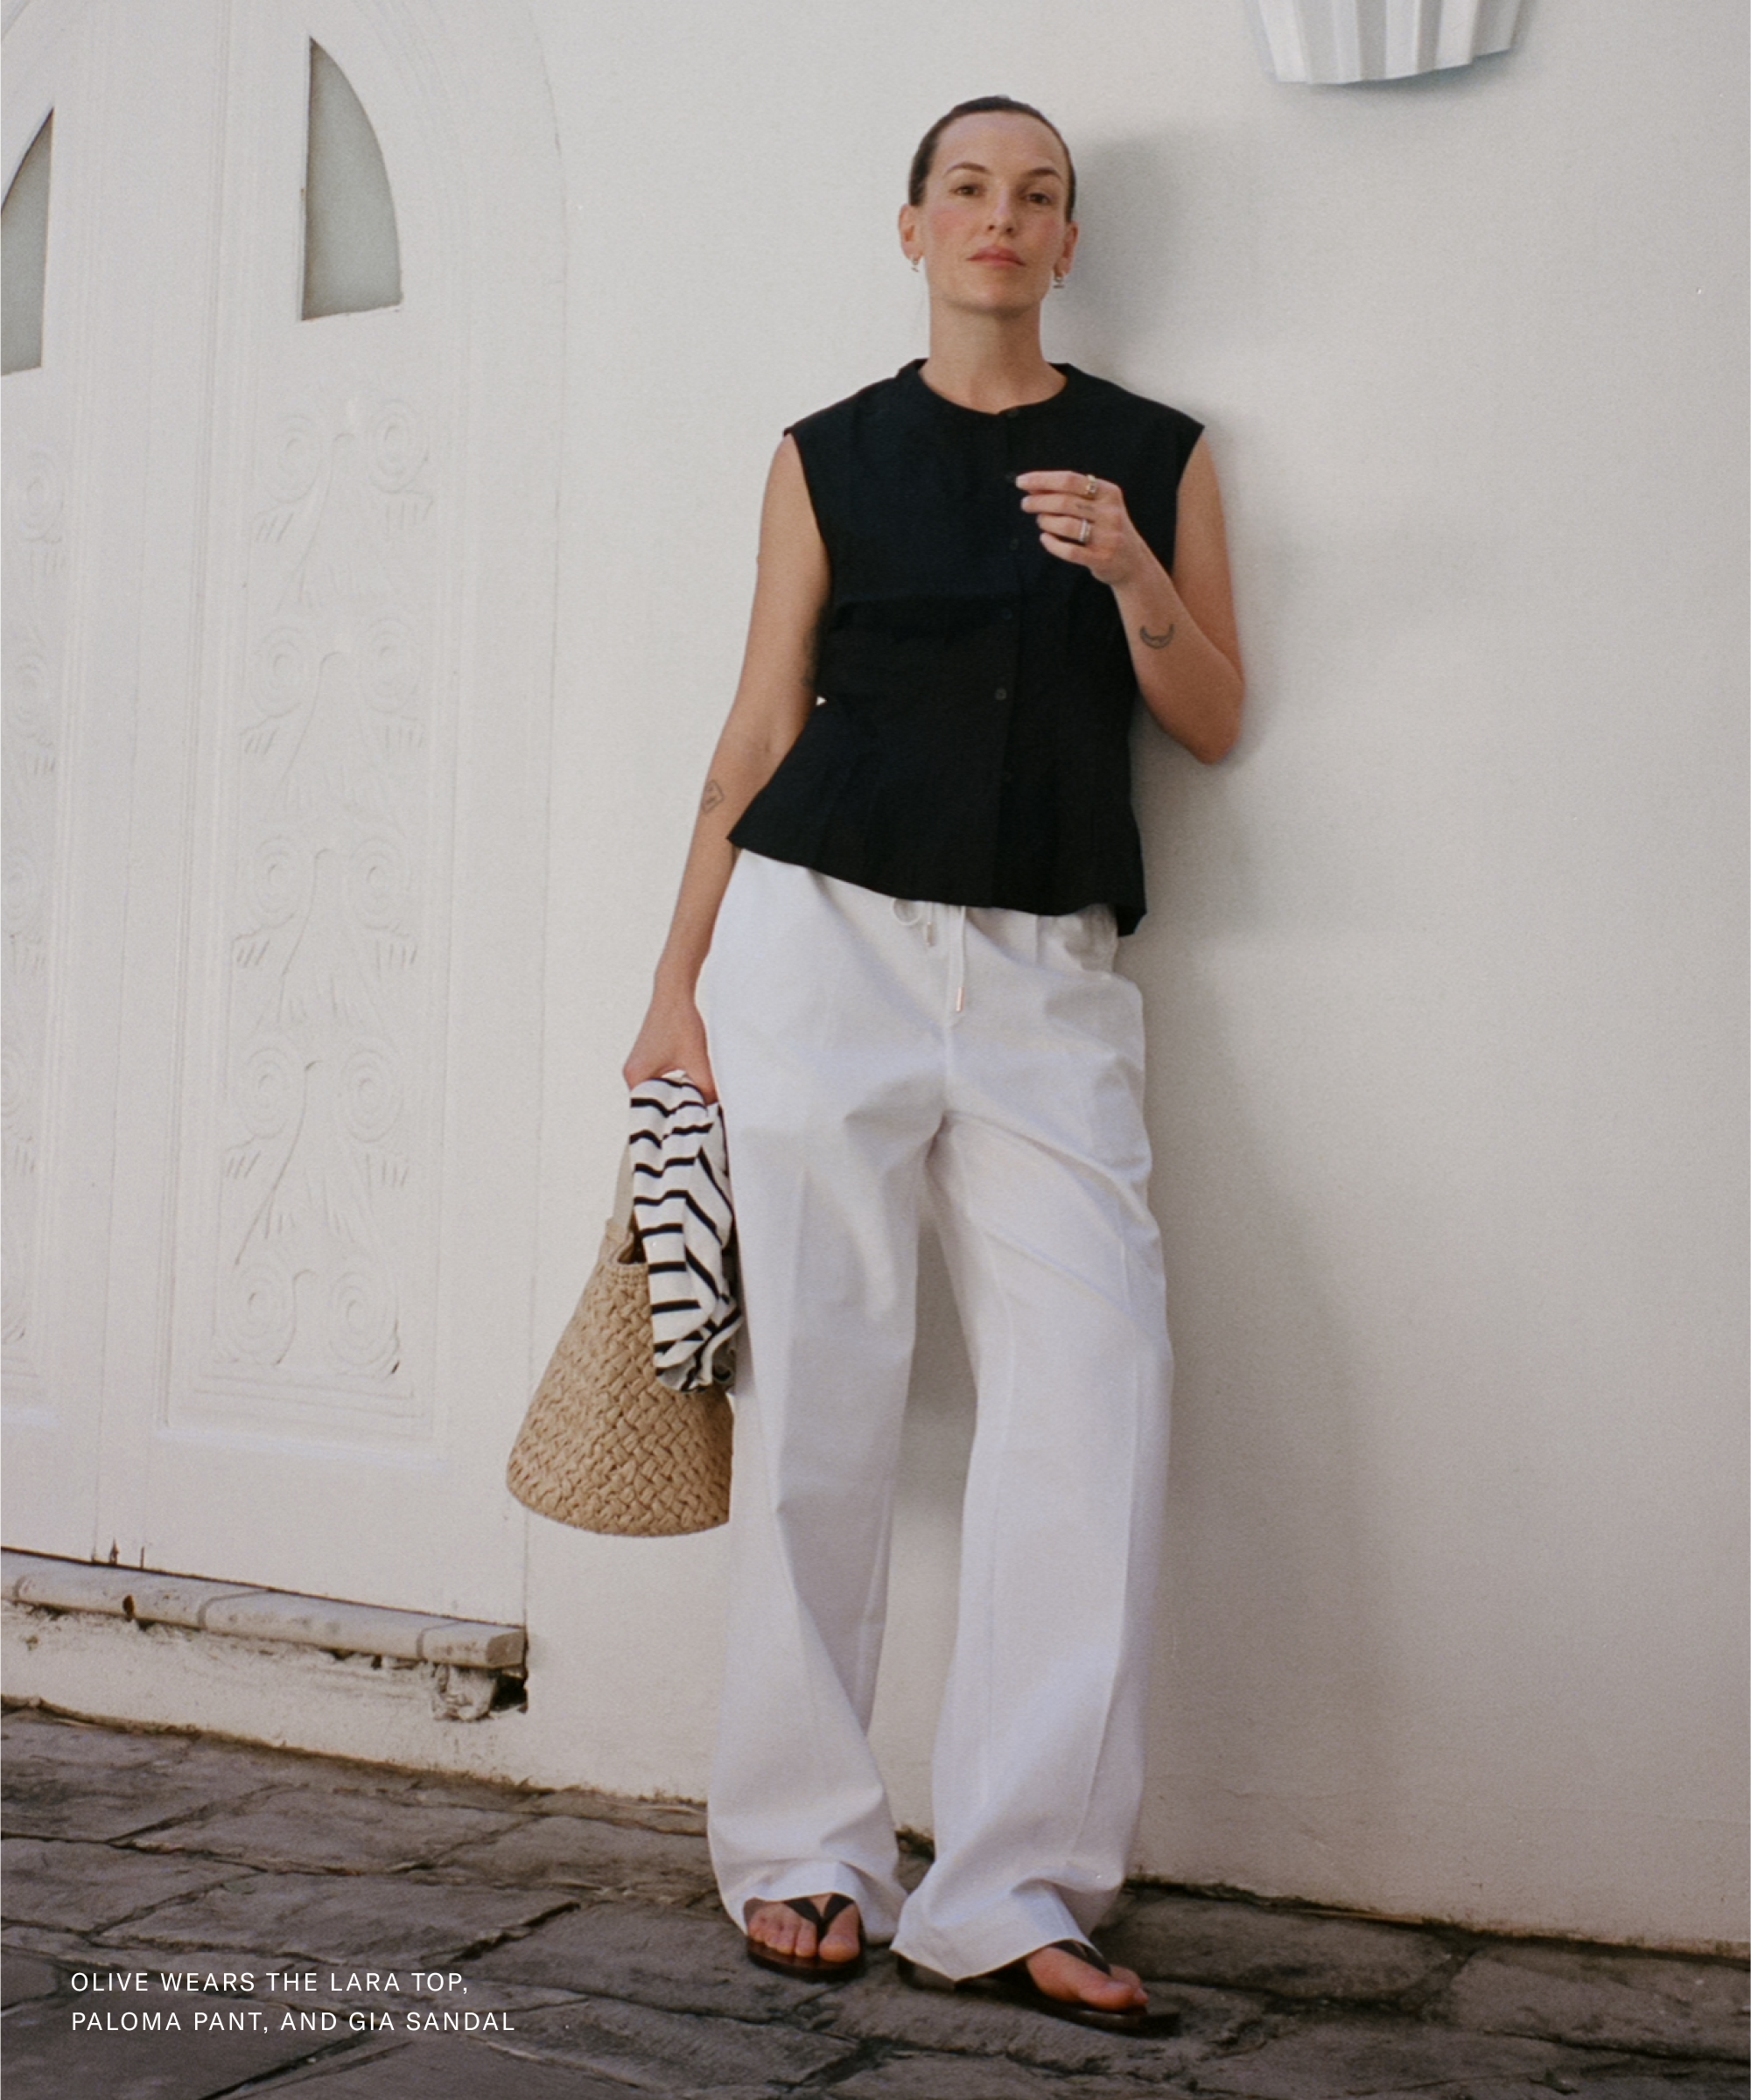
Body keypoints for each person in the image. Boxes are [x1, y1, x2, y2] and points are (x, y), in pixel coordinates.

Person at [623, 94, 1243, 2029]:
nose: (1001, 217)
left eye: (1036, 195)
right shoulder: (826, 454)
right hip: (824, 945)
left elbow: (1213, 714)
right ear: (911, 231)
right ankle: (802, 1846)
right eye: (966, 189)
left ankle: (1013, 1884)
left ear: (1069, 241)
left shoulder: (1155, 455)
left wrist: (1133, 572)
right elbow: (753, 728)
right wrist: (676, 994)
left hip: (1052, 972)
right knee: (822, 1392)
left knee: (1095, 1397)